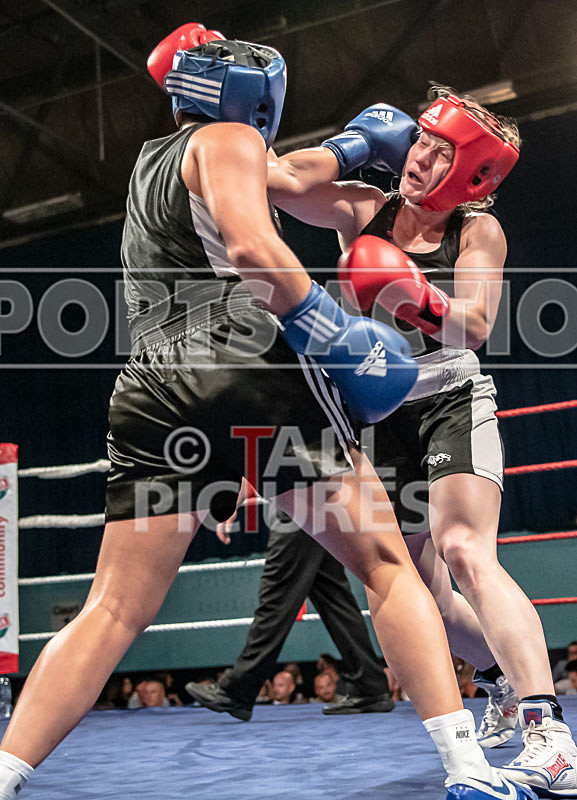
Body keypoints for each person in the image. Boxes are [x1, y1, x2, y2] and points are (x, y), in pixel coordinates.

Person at [0, 25, 536, 800]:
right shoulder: (230, 138)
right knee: (387, 568)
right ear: (256, 99)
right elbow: (254, 248)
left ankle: (8, 770)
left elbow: (288, 174)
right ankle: (468, 769)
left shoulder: (149, 164)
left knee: (112, 608)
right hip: (252, 365)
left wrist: (354, 147)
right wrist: (331, 329)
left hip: (150, 389)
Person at [266, 85, 577, 795]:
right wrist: (347, 148)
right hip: (378, 415)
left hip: (449, 398)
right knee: (421, 595)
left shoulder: (476, 231)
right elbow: (272, 182)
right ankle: (496, 679)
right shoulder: (362, 208)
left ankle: (549, 736)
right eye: (420, 144)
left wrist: (411, 290)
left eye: (442, 155)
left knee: (466, 549)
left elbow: (474, 324)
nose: (420, 160)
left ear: (471, 175)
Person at [185, 513, 393, 720]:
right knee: (334, 598)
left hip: (297, 502)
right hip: (316, 503)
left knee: (276, 596)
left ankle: (237, 690)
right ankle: (369, 685)